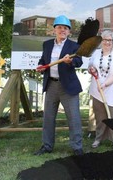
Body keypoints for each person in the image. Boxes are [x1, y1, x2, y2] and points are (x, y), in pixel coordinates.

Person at [35, 15, 84, 156]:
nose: (62, 30)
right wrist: (41, 65)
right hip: (51, 85)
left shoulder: (74, 46)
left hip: (68, 86)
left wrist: (70, 62)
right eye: (60, 27)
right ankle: (47, 146)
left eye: (65, 28)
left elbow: (79, 61)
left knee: (74, 118)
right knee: (48, 118)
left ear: (69, 32)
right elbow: (43, 60)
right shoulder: (47, 44)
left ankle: (77, 147)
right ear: (54, 29)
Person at [88, 30, 113, 149]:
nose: (107, 42)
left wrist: (105, 85)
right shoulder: (96, 53)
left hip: (112, 90)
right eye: (105, 40)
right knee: (100, 116)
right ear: (101, 41)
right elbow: (90, 66)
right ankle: (99, 138)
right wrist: (92, 69)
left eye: (109, 40)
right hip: (97, 90)